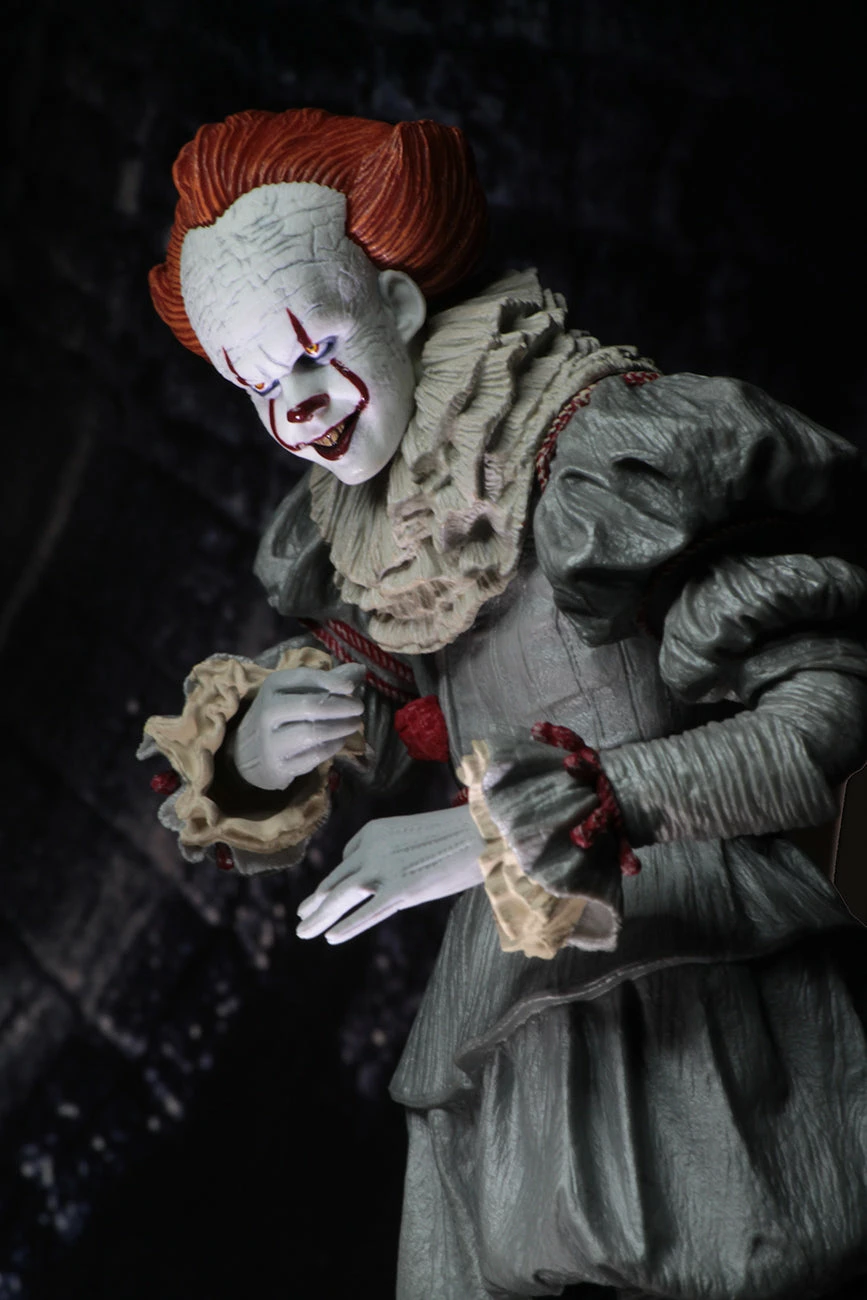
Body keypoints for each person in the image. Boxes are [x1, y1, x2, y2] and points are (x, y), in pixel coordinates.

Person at [142, 108, 867, 1299]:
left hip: (701, 984)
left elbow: (814, 726)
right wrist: (263, 747)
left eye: (315, 347)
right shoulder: (379, 533)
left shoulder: (601, 452)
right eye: (256, 383)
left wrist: (501, 833)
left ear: (400, 303)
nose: (296, 408)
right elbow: (374, 693)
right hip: (512, 1021)